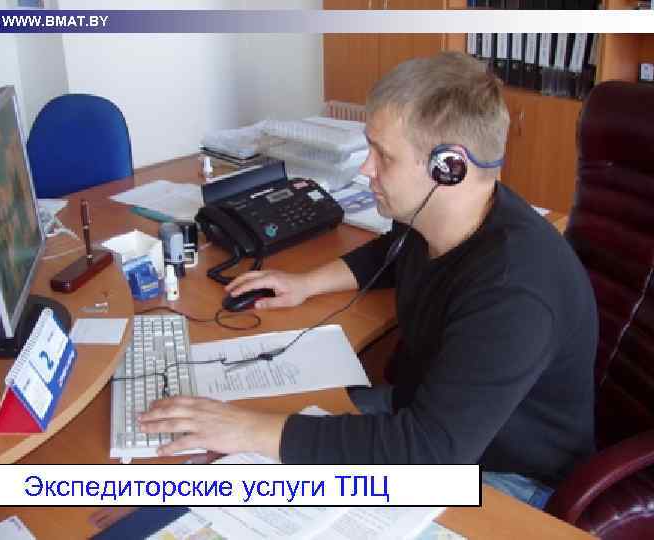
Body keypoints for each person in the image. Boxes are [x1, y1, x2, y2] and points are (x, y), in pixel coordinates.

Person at [139, 52, 597, 509]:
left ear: (449, 168)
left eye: (384, 156)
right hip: (427, 416)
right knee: (252, 435)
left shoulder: (515, 290)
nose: (365, 169)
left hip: (507, 474)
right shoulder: (441, 215)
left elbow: (428, 454)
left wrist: (247, 430)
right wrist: (307, 283)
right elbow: (391, 252)